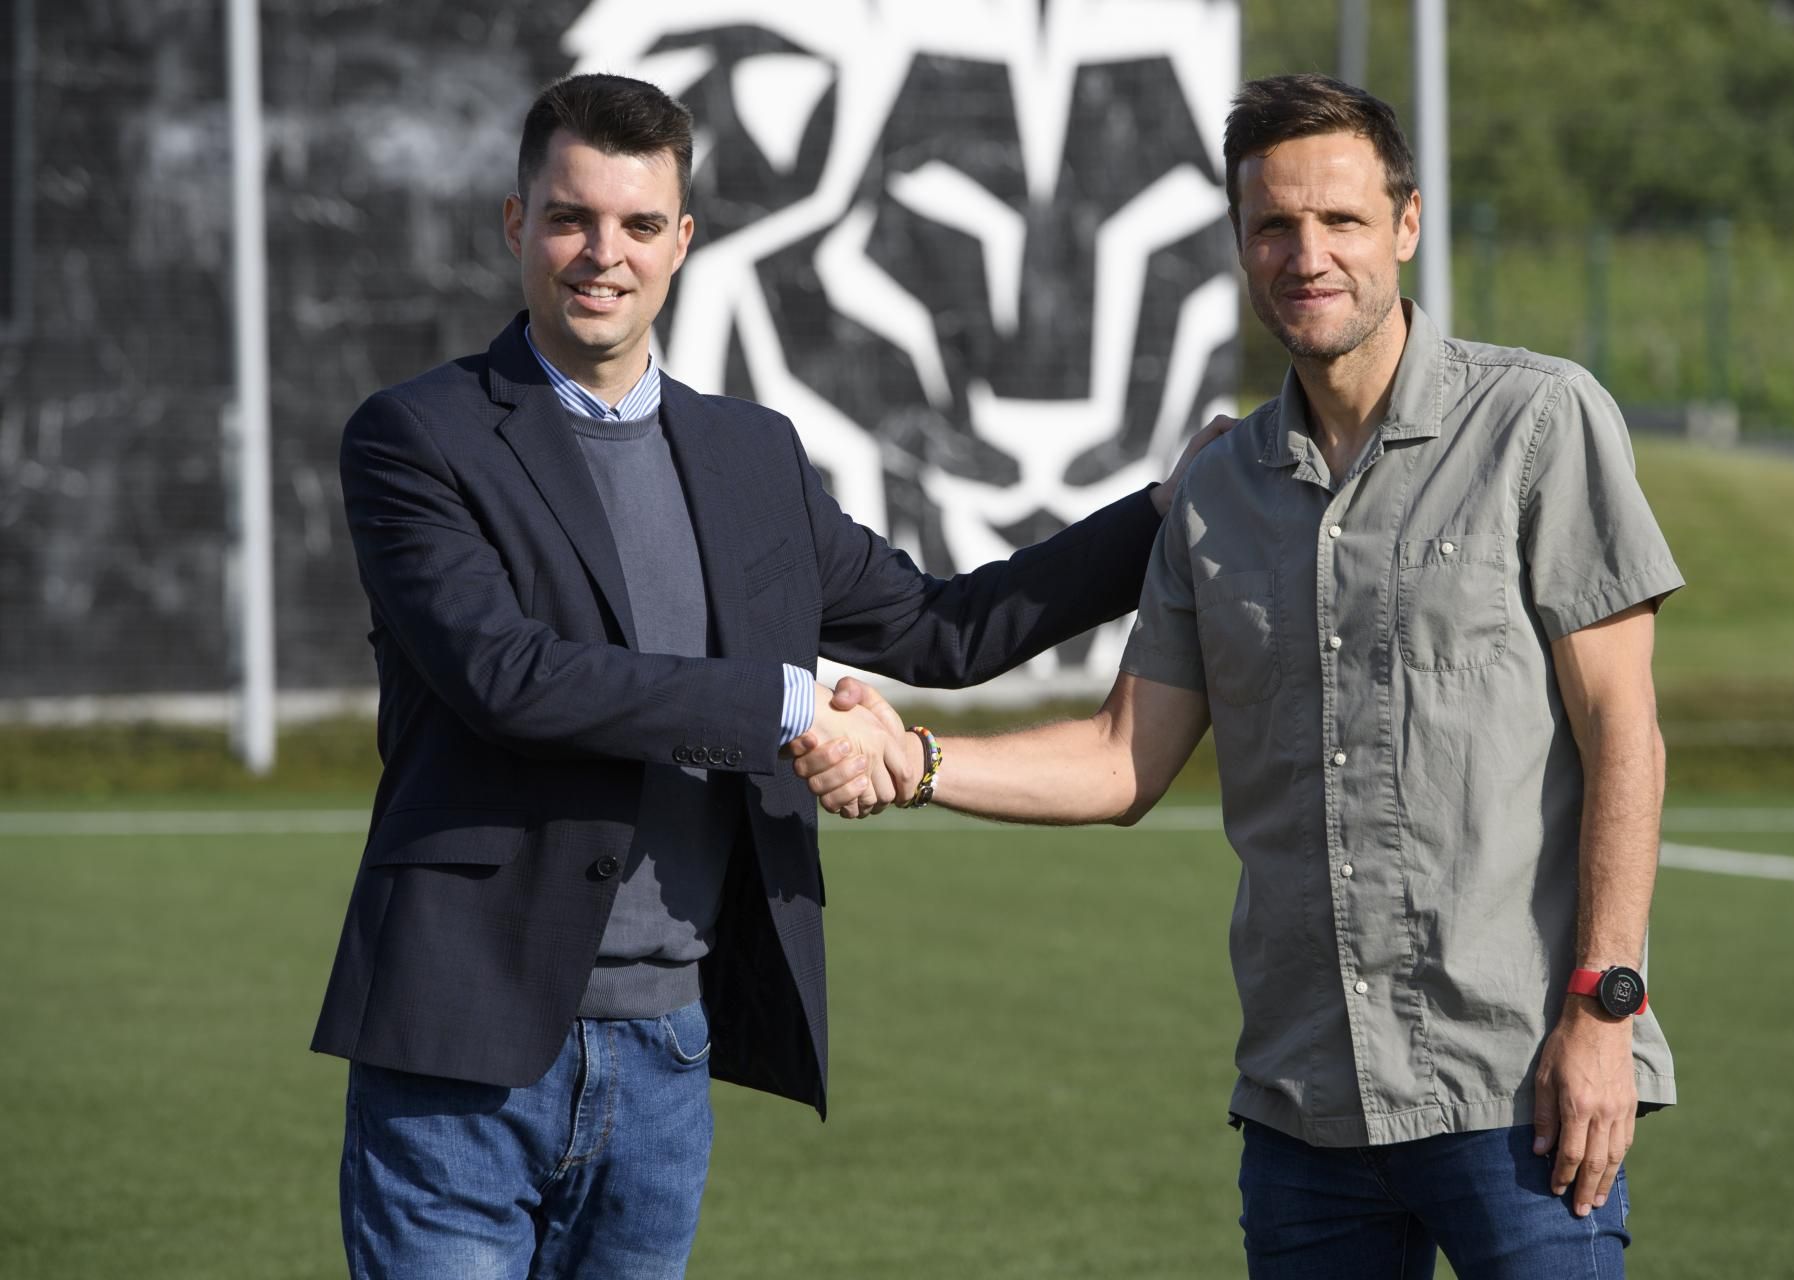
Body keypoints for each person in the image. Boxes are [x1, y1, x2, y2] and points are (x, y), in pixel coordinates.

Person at [311, 72, 1225, 1279]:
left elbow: (941, 629)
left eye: (640, 225)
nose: (604, 254)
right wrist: (789, 702)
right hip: (460, 1054)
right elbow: (510, 676)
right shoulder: (414, 435)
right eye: (572, 217)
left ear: (682, 241)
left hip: (667, 1057)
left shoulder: (752, 452)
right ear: (514, 224)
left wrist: (1158, 513)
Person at [793, 73, 1683, 1280]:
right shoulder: (1213, 492)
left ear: (1406, 226)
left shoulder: (1539, 423)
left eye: (1341, 221)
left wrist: (1604, 1010)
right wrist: (919, 758)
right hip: (1304, 1113)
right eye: (1274, 226)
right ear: (1240, 243)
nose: (1305, 254)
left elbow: (1623, 726)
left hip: (1518, 1090)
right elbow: (1121, 758)